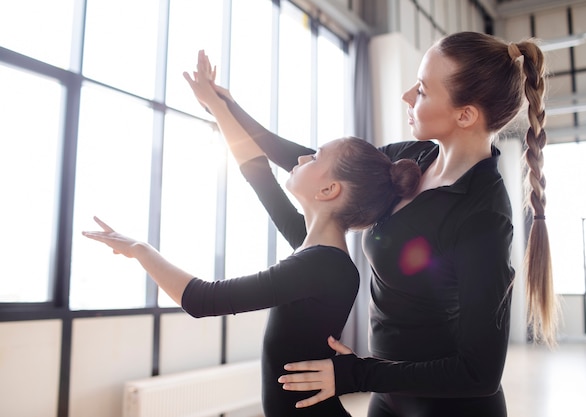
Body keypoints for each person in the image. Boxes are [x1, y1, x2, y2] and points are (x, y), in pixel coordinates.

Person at [201, 31, 559, 416]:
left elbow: (480, 373)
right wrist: (228, 107)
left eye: (421, 90)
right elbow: (316, 167)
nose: (407, 96)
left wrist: (355, 374)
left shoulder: (483, 214)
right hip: (386, 398)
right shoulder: (412, 157)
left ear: (465, 114)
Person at [82, 50, 421, 417]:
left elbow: (203, 299)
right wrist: (217, 106)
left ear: (329, 191)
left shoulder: (324, 266)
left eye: (316, 156)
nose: (302, 158)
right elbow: (256, 170)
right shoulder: (313, 250)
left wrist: (141, 249)